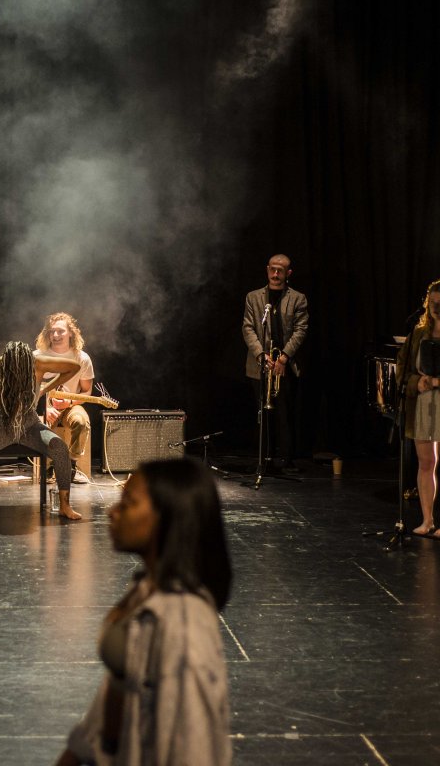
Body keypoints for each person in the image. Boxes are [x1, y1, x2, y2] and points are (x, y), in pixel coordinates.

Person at [56, 458, 233, 766]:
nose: (112, 512)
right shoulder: (146, 588)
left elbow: (196, 745)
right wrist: (76, 753)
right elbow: (120, 685)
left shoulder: (185, 621)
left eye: (128, 504)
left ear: (167, 518)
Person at [0, 341, 83, 522]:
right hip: (2, 425)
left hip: (31, 426)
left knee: (59, 447)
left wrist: (46, 387)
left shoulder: (38, 363)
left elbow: (74, 367)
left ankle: (65, 506)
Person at [242, 254, 309, 472]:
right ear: (267, 270)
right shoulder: (253, 297)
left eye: (281, 270)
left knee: (285, 412)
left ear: (288, 273)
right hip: (260, 362)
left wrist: (284, 357)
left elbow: (301, 330)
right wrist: (262, 355)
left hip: (285, 363)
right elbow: (248, 328)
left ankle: (286, 458)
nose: (276, 274)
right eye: (273, 269)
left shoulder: (298, 298)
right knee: (262, 410)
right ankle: (264, 457)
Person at [396, 279, 440, 536]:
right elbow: (403, 370)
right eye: (433, 303)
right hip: (423, 403)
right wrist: (418, 382)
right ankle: (427, 520)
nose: (437, 308)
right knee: (426, 462)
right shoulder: (418, 334)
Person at [34, 312, 94, 483]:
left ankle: (71, 464)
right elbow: (29, 390)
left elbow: (86, 393)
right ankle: (49, 467)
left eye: (60, 331)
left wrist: (69, 402)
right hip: (44, 405)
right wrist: (46, 407)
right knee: (39, 425)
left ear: (71, 333)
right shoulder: (37, 356)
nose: (55, 335)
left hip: (70, 405)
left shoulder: (82, 358)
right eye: (52, 331)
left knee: (81, 421)